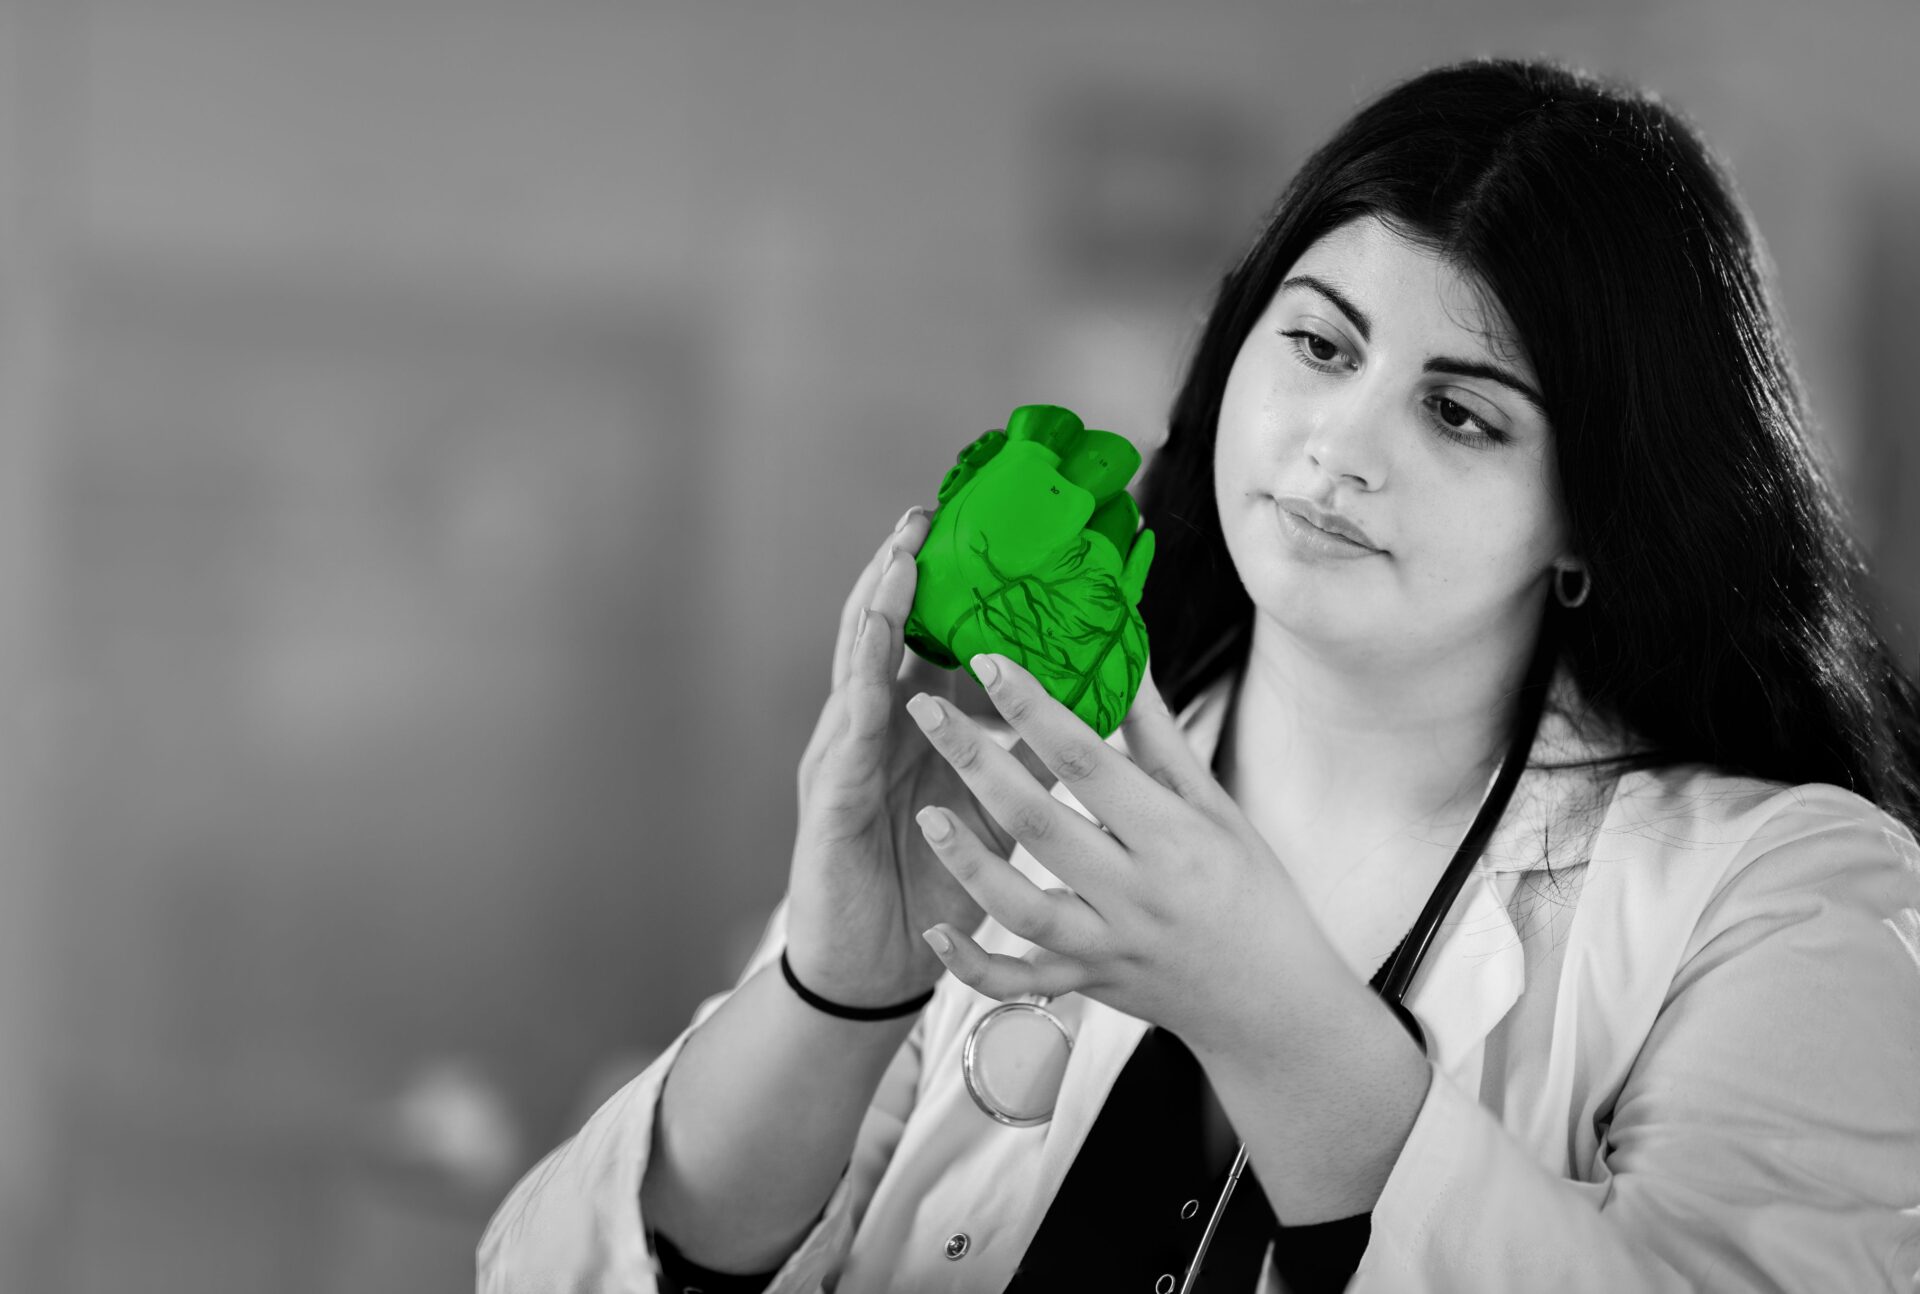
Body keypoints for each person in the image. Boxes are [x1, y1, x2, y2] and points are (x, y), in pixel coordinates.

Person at [477, 55, 1920, 1293]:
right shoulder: (1013, 791)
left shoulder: (1787, 897)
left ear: (1597, 516)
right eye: (1318, 342)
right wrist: (836, 986)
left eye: (1462, 414)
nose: (1340, 445)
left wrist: (1270, 1007)